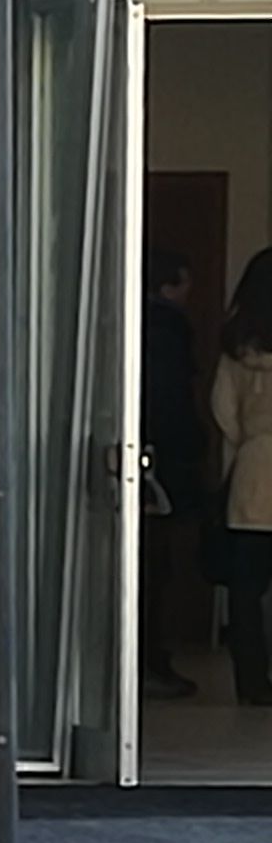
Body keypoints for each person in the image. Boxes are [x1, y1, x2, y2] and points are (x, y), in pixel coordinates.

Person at [144, 252, 208, 699]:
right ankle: (151, 658)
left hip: (143, 456)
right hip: (162, 463)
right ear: (170, 286)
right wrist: (192, 446)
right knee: (155, 566)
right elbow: (172, 403)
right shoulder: (168, 332)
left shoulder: (128, 326)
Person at [209, 250, 272, 702]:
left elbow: (223, 411)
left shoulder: (236, 347)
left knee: (246, 587)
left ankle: (251, 683)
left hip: (254, 467)